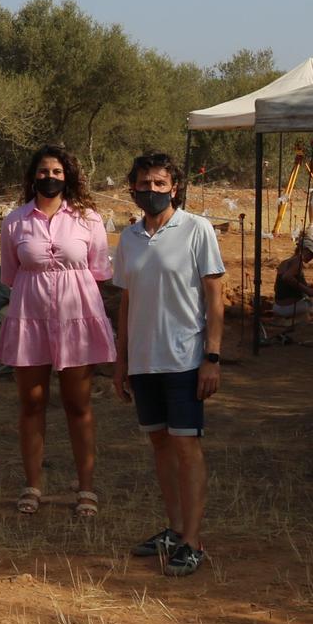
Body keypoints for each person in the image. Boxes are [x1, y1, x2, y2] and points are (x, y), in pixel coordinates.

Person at [112, 151, 225, 577]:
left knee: (185, 445)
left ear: (174, 187)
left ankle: (193, 540)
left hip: (184, 357)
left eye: (160, 183)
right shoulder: (130, 238)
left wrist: (211, 357)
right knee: (159, 443)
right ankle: (175, 529)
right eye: (144, 183)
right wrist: (120, 363)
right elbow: (126, 303)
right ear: (134, 188)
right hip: (144, 360)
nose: (152, 190)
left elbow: (215, 296)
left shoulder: (197, 229)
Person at [0, 146, 114, 521]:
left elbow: (97, 271)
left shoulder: (88, 219)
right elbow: (11, 274)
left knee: (78, 405)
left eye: (58, 171)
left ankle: (86, 488)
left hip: (77, 317)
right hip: (30, 317)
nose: (51, 177)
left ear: (69, 176)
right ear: (33, 176)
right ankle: (33, 485)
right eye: (44, 171)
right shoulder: (14, 221)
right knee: (31, 404)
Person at [272, 230, 313, 316]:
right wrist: (307, 290)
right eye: (311, 254)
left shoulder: (285, 262)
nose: (312, 257)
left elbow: (280, 286)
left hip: (277, 307)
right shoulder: (298, 261)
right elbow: (287, 277)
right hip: (288, 308)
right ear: (303, 250)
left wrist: (306, 285)